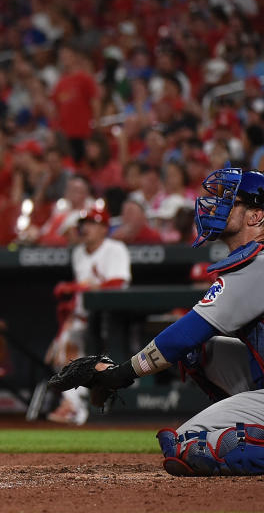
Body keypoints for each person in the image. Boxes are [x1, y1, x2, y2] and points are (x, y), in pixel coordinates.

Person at [58, 166, 264, 476]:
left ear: (255, 216)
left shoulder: (258, 263)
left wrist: (121, 374)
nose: (215, 205)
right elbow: (189, 343)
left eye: (229, 200)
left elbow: (185, 333)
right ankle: (246, 419)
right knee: (199, 353)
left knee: (186, 445)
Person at [46, 208, 131, 425]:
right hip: (83, 318)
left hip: (113, 319)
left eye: (91, 223)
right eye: (83, 223)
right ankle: (73, 405)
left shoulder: (115, 249)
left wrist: (77, 287)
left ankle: (79, 404)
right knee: (64, 352)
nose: (85, 228)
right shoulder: (78, 252)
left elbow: (118, 284)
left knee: (102, 364)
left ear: (104, 228)